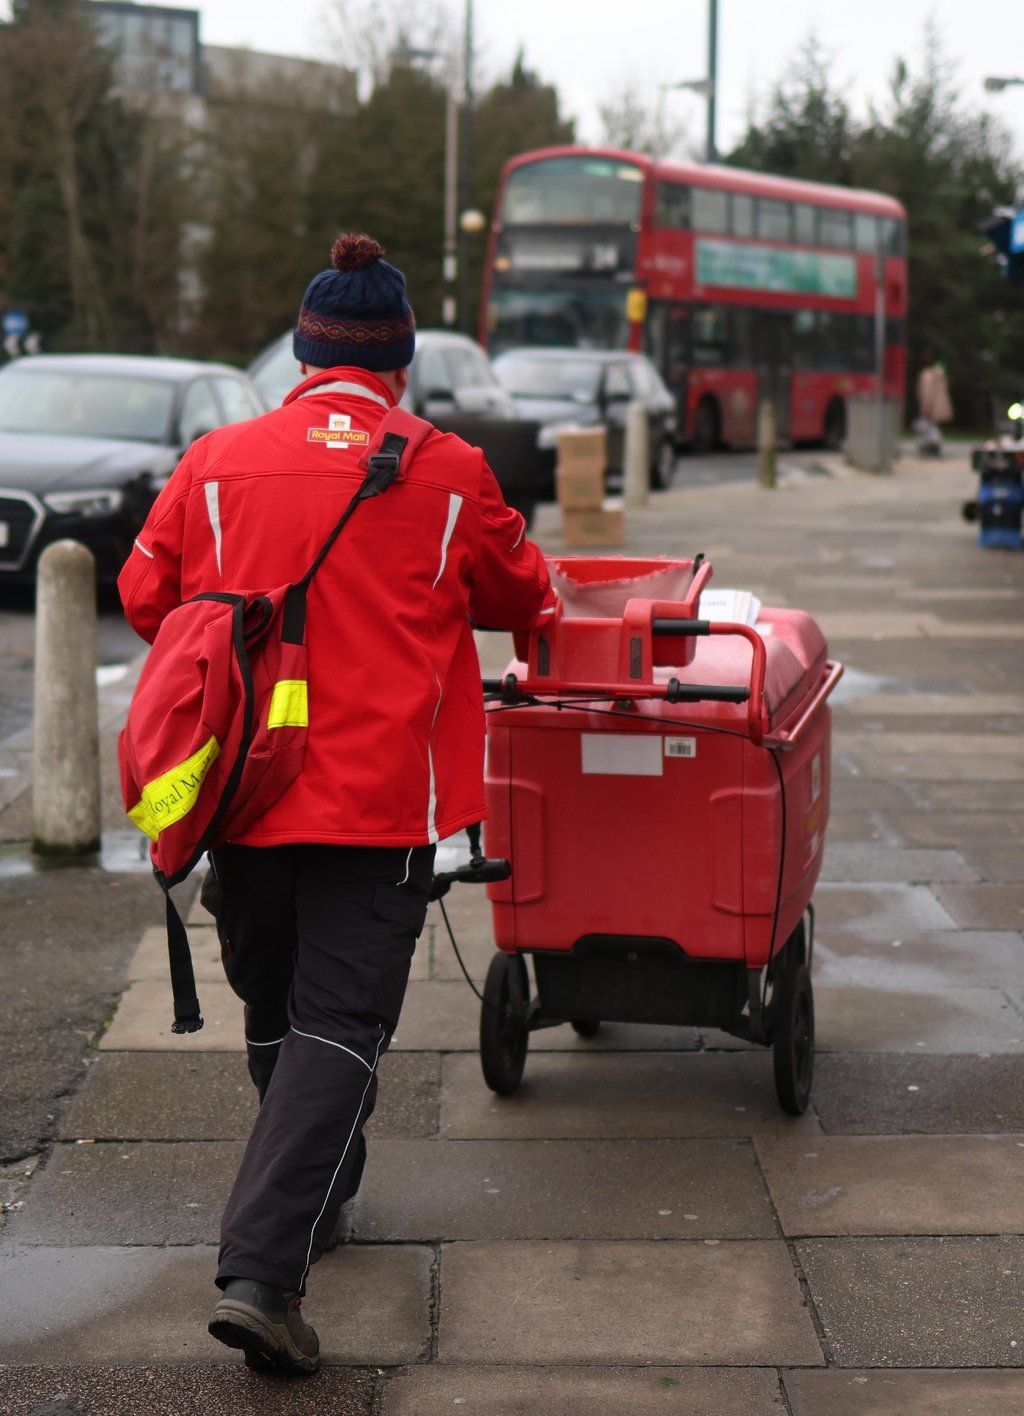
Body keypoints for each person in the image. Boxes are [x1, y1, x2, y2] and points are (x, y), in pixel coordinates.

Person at [117, 233, 554, 1376]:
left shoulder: (215, 460)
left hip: (241, 795)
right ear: (400, 364)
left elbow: (143, 595)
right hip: (375, 807)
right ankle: (264, 1272)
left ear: (302, 356)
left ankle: (320, 1190)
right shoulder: (449, 471)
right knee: (337, 1029)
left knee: (277, 1008)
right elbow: (523, 593)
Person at [915, 351, 953, 457]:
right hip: (940, 406)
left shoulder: (926, 375)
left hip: (931, 406)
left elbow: (927, 393)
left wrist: (925, 407)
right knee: (932, 427)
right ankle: (932, 447)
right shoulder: (940, 373)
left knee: (928, 429)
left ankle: (930, 448)